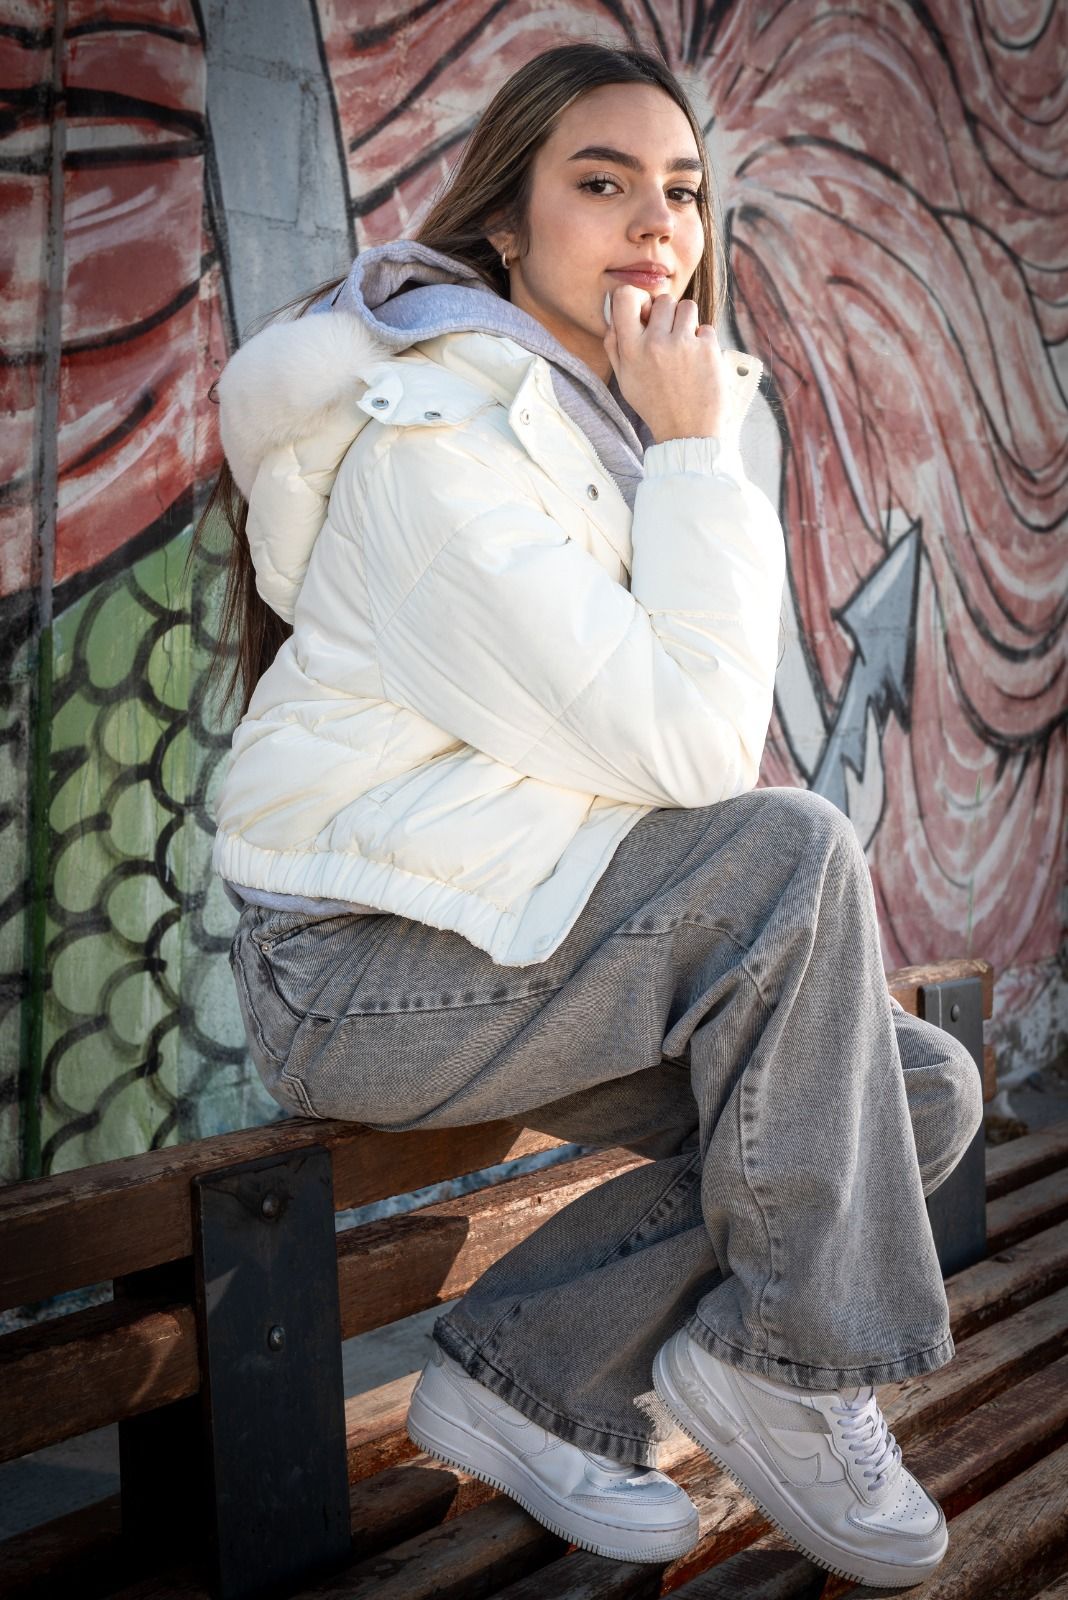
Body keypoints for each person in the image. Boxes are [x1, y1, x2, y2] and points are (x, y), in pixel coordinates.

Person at [190, 40, 983, 1587]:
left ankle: (523, 1376)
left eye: (681, 192)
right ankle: (794, 1367)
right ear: (508, 225)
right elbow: (698, 758)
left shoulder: (583, 425)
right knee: (791, 854)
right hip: (361, 974)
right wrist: (699, 443)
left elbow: (661, 748)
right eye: (602, 183)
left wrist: (677, 442)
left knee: (922, 1090)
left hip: (511, 924)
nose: (654, 226)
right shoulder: (435, 443)